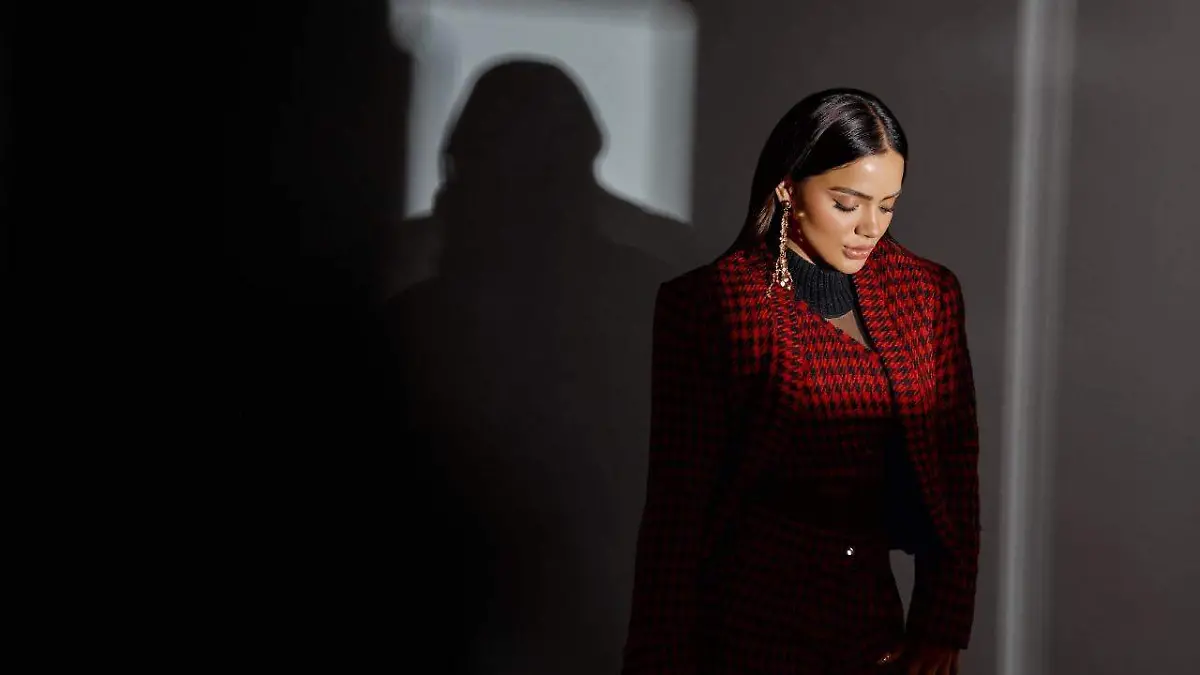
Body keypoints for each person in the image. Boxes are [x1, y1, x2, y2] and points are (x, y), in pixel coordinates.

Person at [620, 88, 980, 675]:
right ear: (788, 188)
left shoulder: (927, 294)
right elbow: (678, 504)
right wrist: (657, 659)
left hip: (872, 619)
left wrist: (942, 624)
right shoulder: (712, 302)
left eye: (888, 205)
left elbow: (957, 469)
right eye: (847, 203)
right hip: (746, 622)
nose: (870, 227)